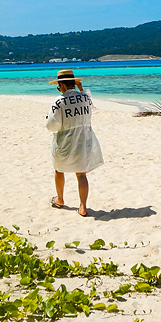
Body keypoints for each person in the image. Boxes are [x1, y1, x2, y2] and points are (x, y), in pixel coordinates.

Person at [46, 69, 103, 216]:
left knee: (59, 170)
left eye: (59, 86)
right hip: (84, 140)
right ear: (74, 83)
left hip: (65, 141)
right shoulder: (85, 98)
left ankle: (60, 199)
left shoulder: (59, 101)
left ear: (62, 85)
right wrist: (81, 88)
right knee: (81, 174)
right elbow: (88, 100)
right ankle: (83, 206)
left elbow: (52, 126)